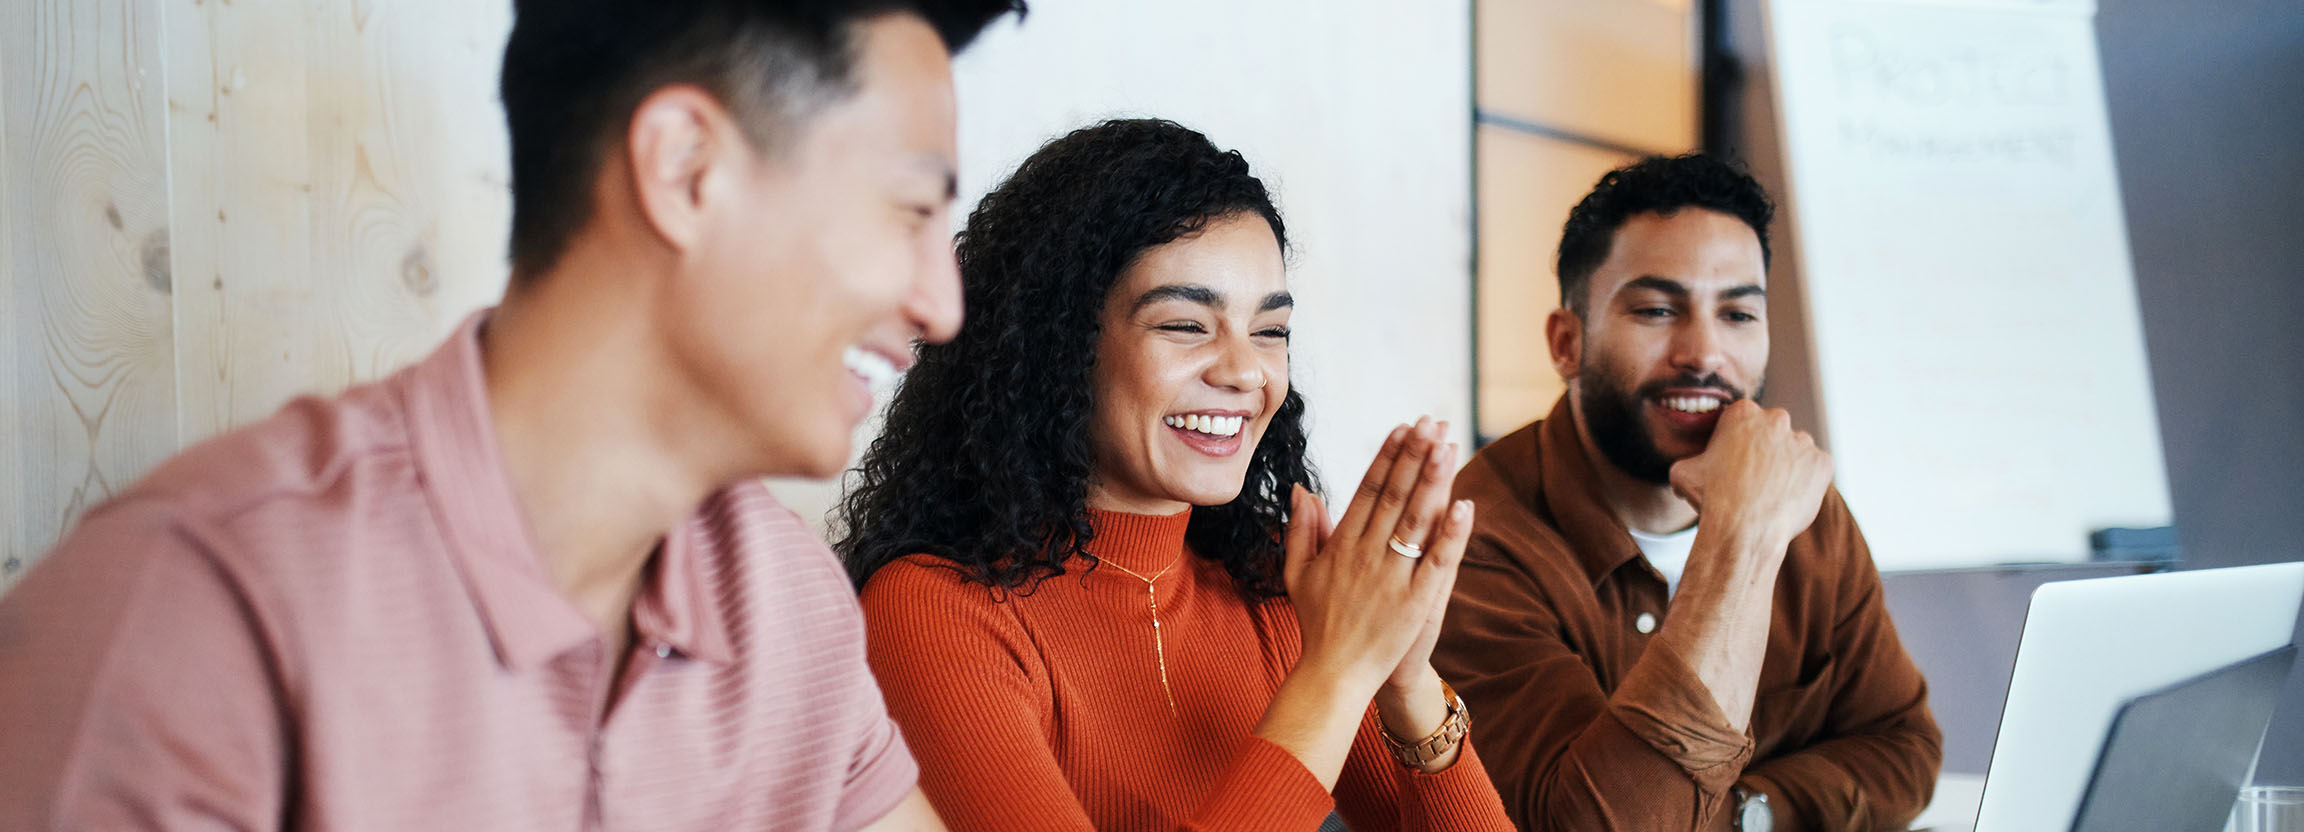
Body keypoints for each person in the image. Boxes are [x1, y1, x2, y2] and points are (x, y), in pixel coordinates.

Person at [0, 0, 1020, 828]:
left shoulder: (790, 606)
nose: (944, 304)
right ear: (684, 171)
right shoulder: (194, 609)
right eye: (911, 212)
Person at [837, 118, 1515, 831]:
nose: (1245, 370)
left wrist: (1404, 677)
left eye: (1270, 331)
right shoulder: (932, 611)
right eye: (1186, 325)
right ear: (1061, 345)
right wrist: (1337, 674)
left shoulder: (1276, 590)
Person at [1430, 154, 1942, 832]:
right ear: (1566, 343)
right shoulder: (1477, 541)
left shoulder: (1802, 504)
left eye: (1737, 314)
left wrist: (1746, 816)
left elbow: (1905, 750)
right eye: (1657, 309)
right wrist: (1743, 536)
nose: (1703, 352)